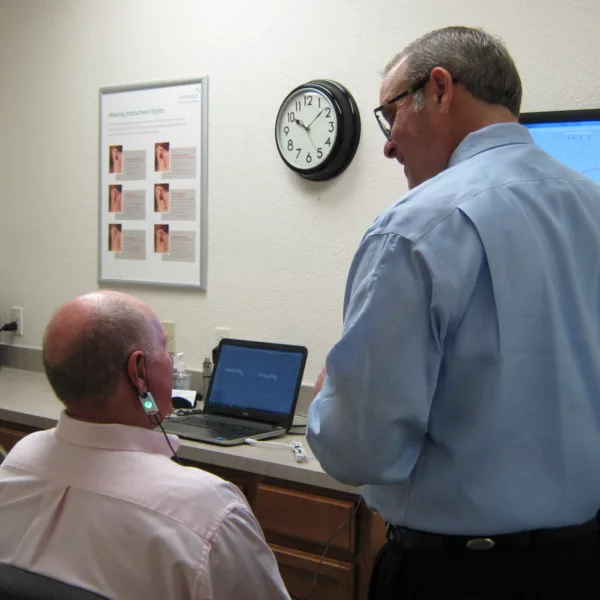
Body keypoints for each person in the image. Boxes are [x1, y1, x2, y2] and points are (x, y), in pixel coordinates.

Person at [306, 25, 600, 598]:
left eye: (390, 117)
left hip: (462, 576)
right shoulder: (593, 207)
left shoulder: (417, 226)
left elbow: (358, 448)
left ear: (440, 89)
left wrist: (329, 398)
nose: (388, 145)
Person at [0, 291, 290, 600]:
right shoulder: (210, 513)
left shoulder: (18, 461)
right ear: (139, 371)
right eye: (165, 349)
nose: (168, 359)